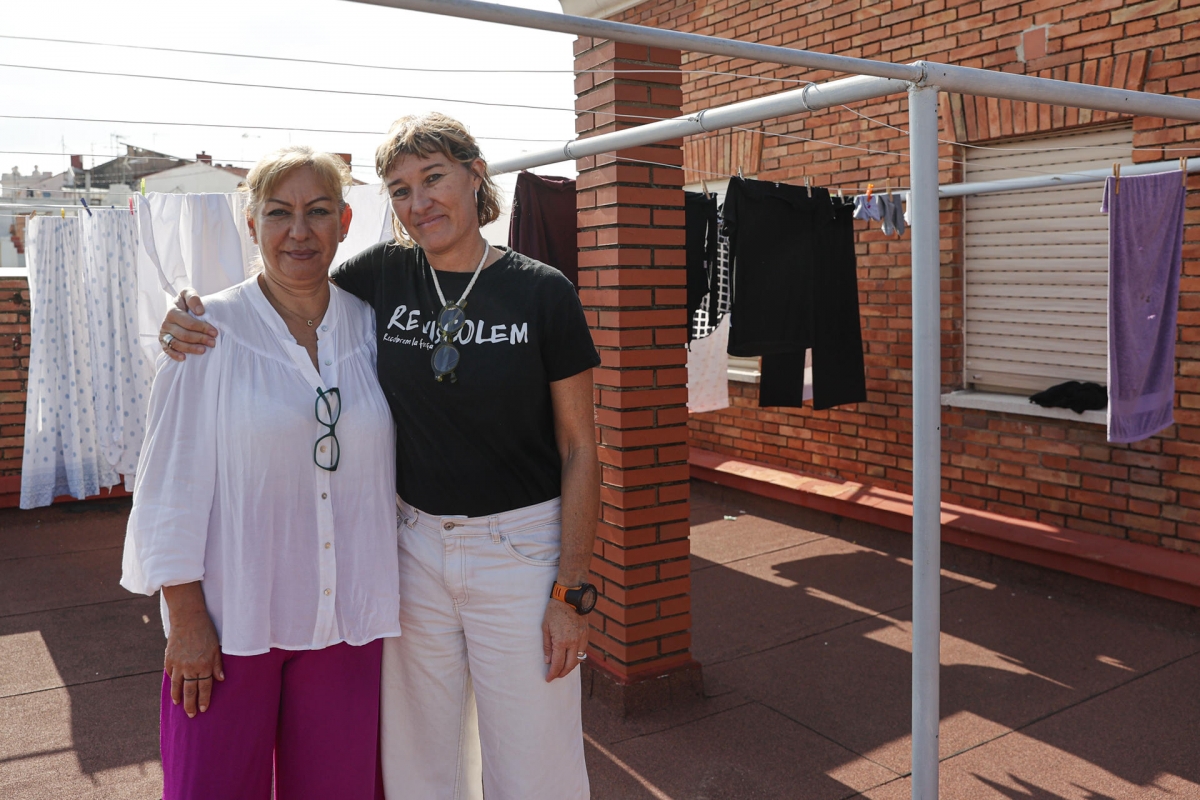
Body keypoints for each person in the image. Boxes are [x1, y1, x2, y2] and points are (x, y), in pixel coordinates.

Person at [160, 113, 600, 800]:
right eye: (399, 189)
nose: (418, 203)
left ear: (475, 177)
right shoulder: (383, 276)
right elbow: (288, 286)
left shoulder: (543, 291)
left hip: (518, 550)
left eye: (433, 179)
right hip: (410, 548)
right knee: (415, 761)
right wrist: (187, 312)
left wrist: (571, 589)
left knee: (534, 759)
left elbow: (580, 446)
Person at [123, 146, 400, 800]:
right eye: (279, 213)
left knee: (340, 790)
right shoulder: (207, 331)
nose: (298, 231)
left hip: (347, 621)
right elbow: (169, 487)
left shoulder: (374, 328)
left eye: (318, 211)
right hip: (232, 621)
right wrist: (186, 618)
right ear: (251, 224)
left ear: (346, 222)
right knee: (212, 789)